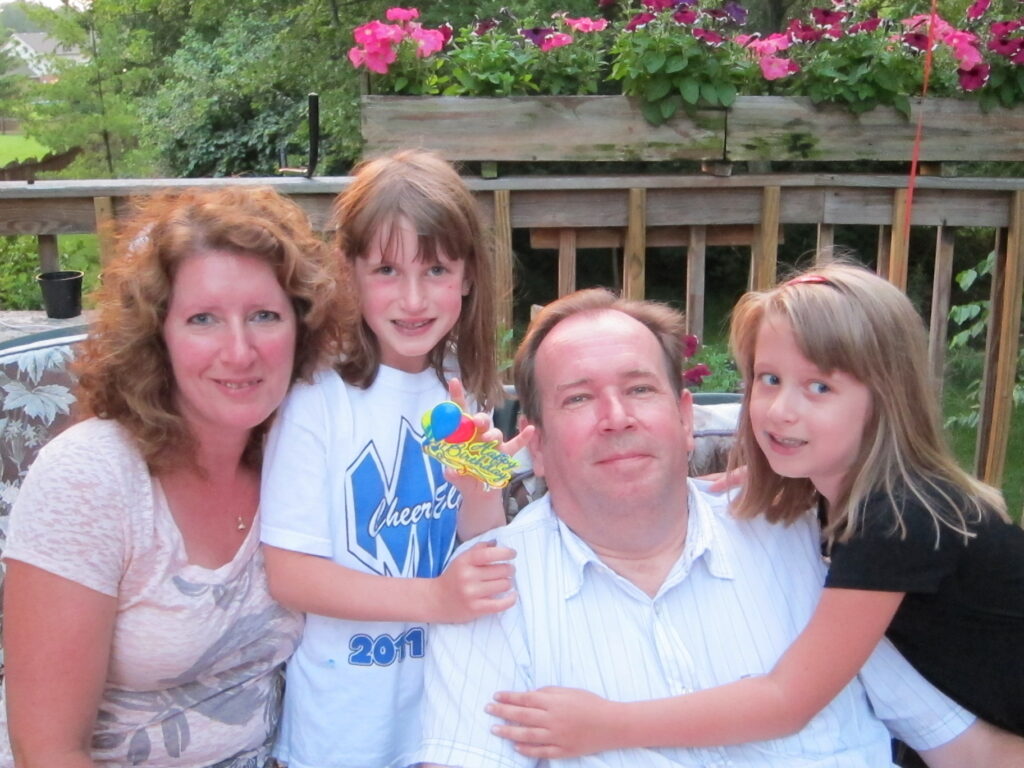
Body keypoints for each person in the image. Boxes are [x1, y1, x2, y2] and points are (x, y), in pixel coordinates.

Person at [415, 286, 1022, 768]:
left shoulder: (818, 544)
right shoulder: (490, 588)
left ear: (686, 420)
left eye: (639, 388)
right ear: (538, 446)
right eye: (578, 398)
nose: (616, 418)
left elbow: (965, 748)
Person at [0, 185, 349, 767]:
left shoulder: (299, 454)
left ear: (301, 326)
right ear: (158, 336)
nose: (239, 352)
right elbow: (48, 751)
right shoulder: (91, 479)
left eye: (264, 316)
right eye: (203, 319)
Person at [259, 149, 522, 768]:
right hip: (342, 730)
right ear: (348, 272)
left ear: (467, 276)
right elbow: (290, 576)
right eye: (385, 269)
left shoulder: (464, 394)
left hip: (444, 715)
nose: (413, 298)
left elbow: (485, 547)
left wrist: (481, 490)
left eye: (436, 269)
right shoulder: (315, 399)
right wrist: (435, 599)